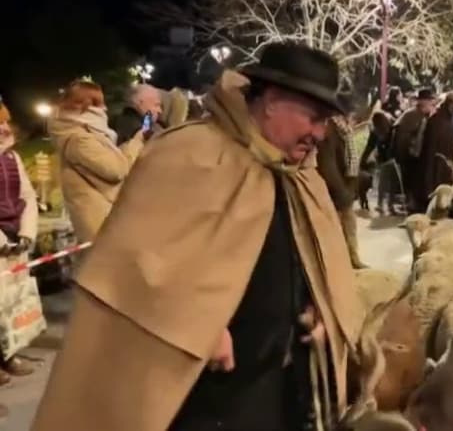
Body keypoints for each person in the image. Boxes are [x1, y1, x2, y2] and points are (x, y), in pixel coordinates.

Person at [32, 43, 366, 431]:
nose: (319, 134)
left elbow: (315, 259)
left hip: (278, 388)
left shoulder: (302, 176)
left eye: (325, 122)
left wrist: (319, 308)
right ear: (272, 101)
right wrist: (196, 323)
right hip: (198, 395)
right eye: (314, 117)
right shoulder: (191, 152)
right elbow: (131, 266)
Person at [48, 80, 145, 244]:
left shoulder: (85, 133)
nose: (105, 109)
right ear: (88, 105)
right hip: (101, 225)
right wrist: (137, 142)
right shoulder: (79, 139)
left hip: (107, 220)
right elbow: (117, 169)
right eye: (100, 104)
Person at [0, 102, 39, 419]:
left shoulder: (11, 158)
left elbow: (26, 196)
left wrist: (25, 234)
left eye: (6, 122)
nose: (4, 128)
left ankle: (7, 356)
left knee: (11, 307)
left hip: (14, 243)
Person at [317, 96, 368, 269]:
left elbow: (350, 159)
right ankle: (343, 265)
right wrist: (342, 192)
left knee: (348, 228)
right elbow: (327, 165)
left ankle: (352, 260)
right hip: (335, 192)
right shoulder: (329, 129)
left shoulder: (342, 130)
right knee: (337, 231)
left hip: (344, 187)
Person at [394, 89, 436, 213]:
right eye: (430, 101)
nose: (431, 105)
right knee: (411, 181)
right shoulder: (413, 115)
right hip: (408, 155)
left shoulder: (415, 114)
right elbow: (405, 137)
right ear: (423, 102)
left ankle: (411, 203)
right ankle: (411, 204)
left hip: (409, 154)